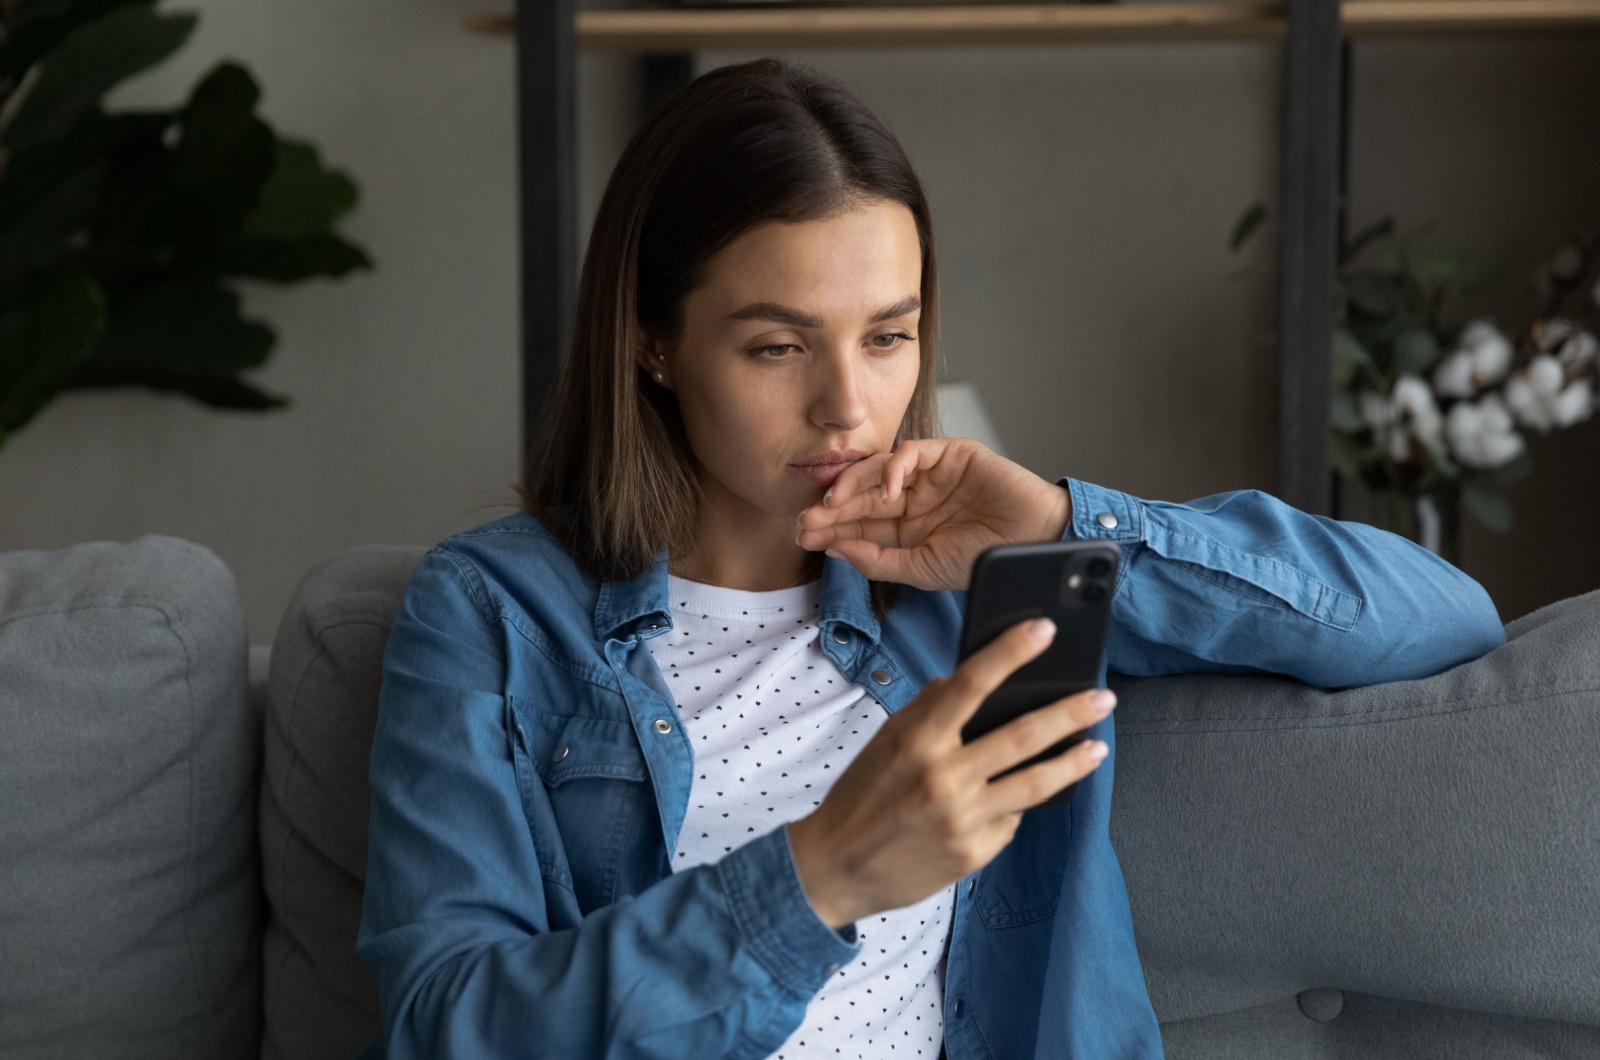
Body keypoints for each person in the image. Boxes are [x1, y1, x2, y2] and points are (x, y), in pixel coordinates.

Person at [355, 57, 1506, 1060]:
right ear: (653, 341)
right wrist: (818, 880)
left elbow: (1436, 616)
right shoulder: (495, 613)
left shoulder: (981, 592)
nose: (847, 406)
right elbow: (444, 1024)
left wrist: (1064, 525)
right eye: (775, 345)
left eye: (888, 336)